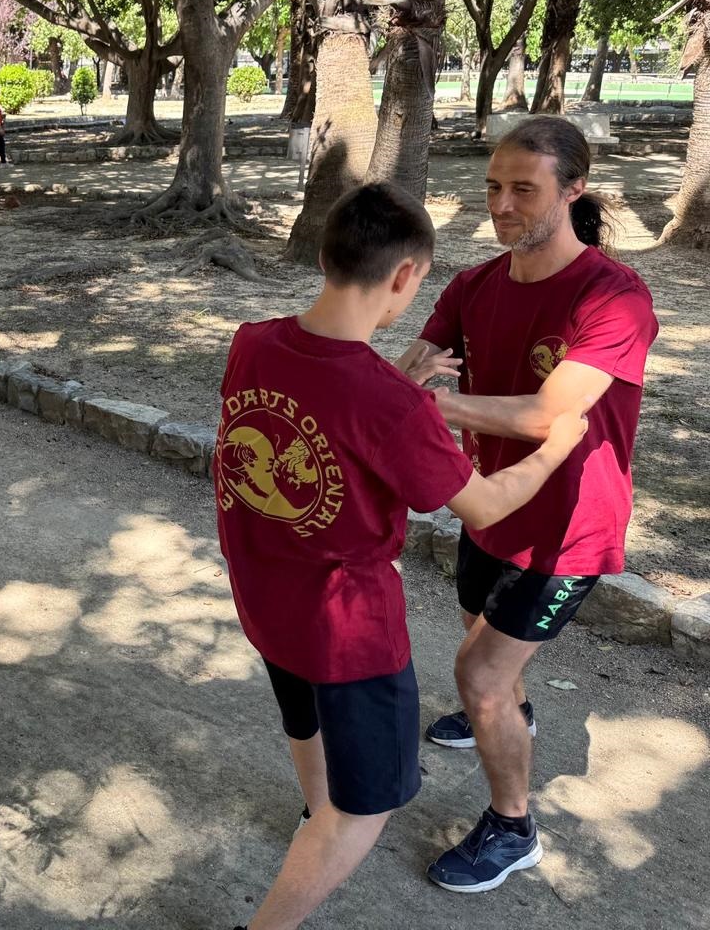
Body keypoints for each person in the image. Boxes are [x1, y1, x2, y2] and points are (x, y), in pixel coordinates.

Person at [216, 183, 591, 930]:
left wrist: (400, 388)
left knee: (304, 719)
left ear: (324, 256)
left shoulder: (252, 339)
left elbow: (335, 390)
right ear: (406, 278)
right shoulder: (393, 406)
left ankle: (315, 818)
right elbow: (483, 503)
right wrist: (556, 448)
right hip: (349, 633)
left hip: (265, 598)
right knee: (372, 802)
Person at [394, 115, 658, 894]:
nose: (501, 205)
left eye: (523, 190)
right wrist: (413, 387)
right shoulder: (474, 284)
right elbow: (415, 365)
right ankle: (512, 708)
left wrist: (431, 406)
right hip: (490, 505)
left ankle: (513, 829)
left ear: (573, 192)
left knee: (476, 673)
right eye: (493, 187)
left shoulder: (615, 298)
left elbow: (549, 415)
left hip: (568, 529)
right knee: (483, 634)